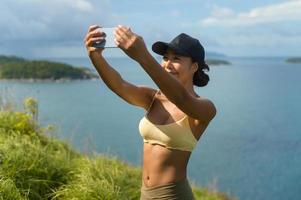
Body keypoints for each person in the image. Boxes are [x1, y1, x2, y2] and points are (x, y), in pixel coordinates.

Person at [84, 24, 217, 200]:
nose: (168, 64)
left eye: (176, 58)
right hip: (145, 194)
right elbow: (119, 85)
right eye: (165, 58)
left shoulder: (204, 108)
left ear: (194, 67)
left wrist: (143, 56)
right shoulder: (153, 98)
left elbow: (181, 99)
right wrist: (95, 56)